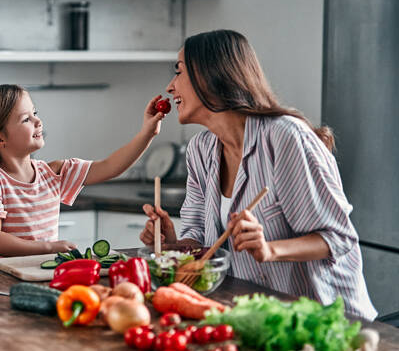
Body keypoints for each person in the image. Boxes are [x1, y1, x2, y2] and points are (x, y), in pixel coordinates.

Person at [139, 29, 377, 321]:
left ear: (210, 75)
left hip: (326, 322)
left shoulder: (284, 137)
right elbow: (202, 244)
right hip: (259, 317)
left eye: (179, 72)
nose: (170, 87)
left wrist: (269, 250)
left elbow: (338, 238)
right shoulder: (201, 150)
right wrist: (174, 245)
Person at [0, 84, 165, 258]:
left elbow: (110, 167)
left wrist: (147, 133)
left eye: (35, 113)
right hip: (0, 276)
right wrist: (49, 248)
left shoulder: (53, 173)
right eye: (26, 119)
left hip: (41, 272)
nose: (38, 121)